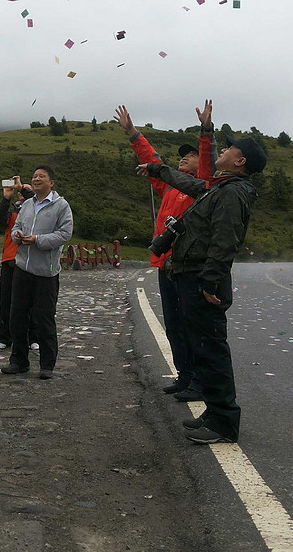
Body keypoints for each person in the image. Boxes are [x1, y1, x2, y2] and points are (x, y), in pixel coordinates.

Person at [136, 134, 266, 444]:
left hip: (201, 280)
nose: (224, 150)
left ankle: (224, 422)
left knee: (211, 350)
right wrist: (157, 170)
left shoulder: (233, 193)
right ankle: (214, 411)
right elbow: (187, 183)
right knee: (203, 348)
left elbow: (225, 240)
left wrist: (210, 282)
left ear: (240, 160)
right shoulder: (218, 187)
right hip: (191, 276)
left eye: (231, 148)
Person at [115, 101, 215, 403]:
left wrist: (206, 131)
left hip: (188, 266)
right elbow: (152, 160)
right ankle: (185, 377)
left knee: (191, 324)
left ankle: (199, 381)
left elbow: (208, 159)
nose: (183, 159)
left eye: (190, 155)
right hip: (166, 264)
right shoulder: (170, 189)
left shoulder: (205, 186)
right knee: (173, 323)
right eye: (182, 156)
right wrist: (132, 132)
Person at [2, 166, 73, 380]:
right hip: (23, 268)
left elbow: (65, 233)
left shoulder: (61, 206)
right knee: (17, 317)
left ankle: (47, 365)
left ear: (51, 183)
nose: (36, 179)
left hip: (46, 273)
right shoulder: (27, 205)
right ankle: (19, 361)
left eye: (42, 176)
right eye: (34, 176)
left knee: (44, 318)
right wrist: (17, 236)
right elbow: (17, 227)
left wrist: (38, 240)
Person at [0, 177, 38, 351]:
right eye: (20, 192)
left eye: (23, 192)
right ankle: (4, 337)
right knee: (6, 300)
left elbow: (34, 199)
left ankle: (33, 336)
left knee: (30, 301)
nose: (20, 194)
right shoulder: (13, 213)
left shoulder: (36, 211)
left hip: (28, 260)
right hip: (10, 260)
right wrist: (6, 198)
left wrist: (23, 187)